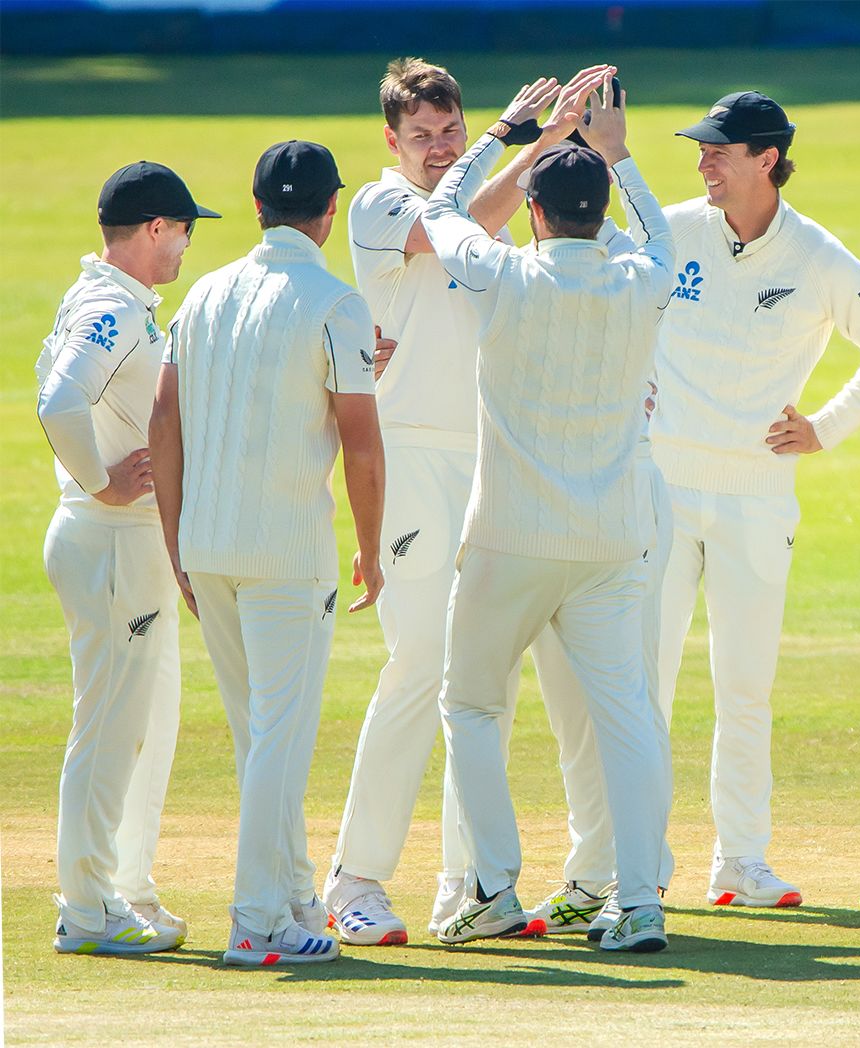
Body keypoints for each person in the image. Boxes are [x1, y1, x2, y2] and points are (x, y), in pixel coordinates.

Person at [324, 57, 581, 946]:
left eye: (451, 134)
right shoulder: (378, 204)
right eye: (423, 137)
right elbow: (456, 221)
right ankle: (354, 877)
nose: (439, 149)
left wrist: (543, 143)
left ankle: (468, 887)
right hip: (407, 462)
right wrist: (525, 140)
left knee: (485, 677)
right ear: (393, 141)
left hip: (488, 461)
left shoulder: (491, 221)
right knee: (421, 664)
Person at [423, 68, 675, 953]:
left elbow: (439, 213)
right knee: (628, 717)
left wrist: (507, 133)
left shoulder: (505, 276)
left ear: (533, 211)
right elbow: (661, 238)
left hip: (510, 539)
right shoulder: (643, 276)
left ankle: (492, 888)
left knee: (472, 707)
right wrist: (619, 156)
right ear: (601, 212)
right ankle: (640, 902)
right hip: (610, 541)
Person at [651, 91, 860, 907]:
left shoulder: (816, 255)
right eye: (700, 151)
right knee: (640, 686)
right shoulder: (666, 229)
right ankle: (634, 861)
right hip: (659, 488)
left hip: (757, 498)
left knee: (746, 687)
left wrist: (826, 427)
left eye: (718, 153)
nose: (702, 164)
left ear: (766, 160)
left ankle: (741, 862)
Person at [150, 139, 386, 966]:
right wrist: (372, 548)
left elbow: (163, 423)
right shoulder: (336, 301)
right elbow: (361, 442)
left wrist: (177, 539)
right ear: (328, 214)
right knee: (278, 739)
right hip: (286, 554)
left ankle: (291, 897)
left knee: (263, 739)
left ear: (256, 206)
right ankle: (256, 923)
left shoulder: (203, 295)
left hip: (209, 543)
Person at [38, 161, 218, 955]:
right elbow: (58, 401)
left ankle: (125, 888)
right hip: (108, 539)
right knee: (110, 728)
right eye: (182, 229)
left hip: (135, 546)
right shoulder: (110, 307)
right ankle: (85, 909)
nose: (185, 245)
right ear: (154, 229)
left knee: (147, 722)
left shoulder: (125, 304)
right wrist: (101, 482)